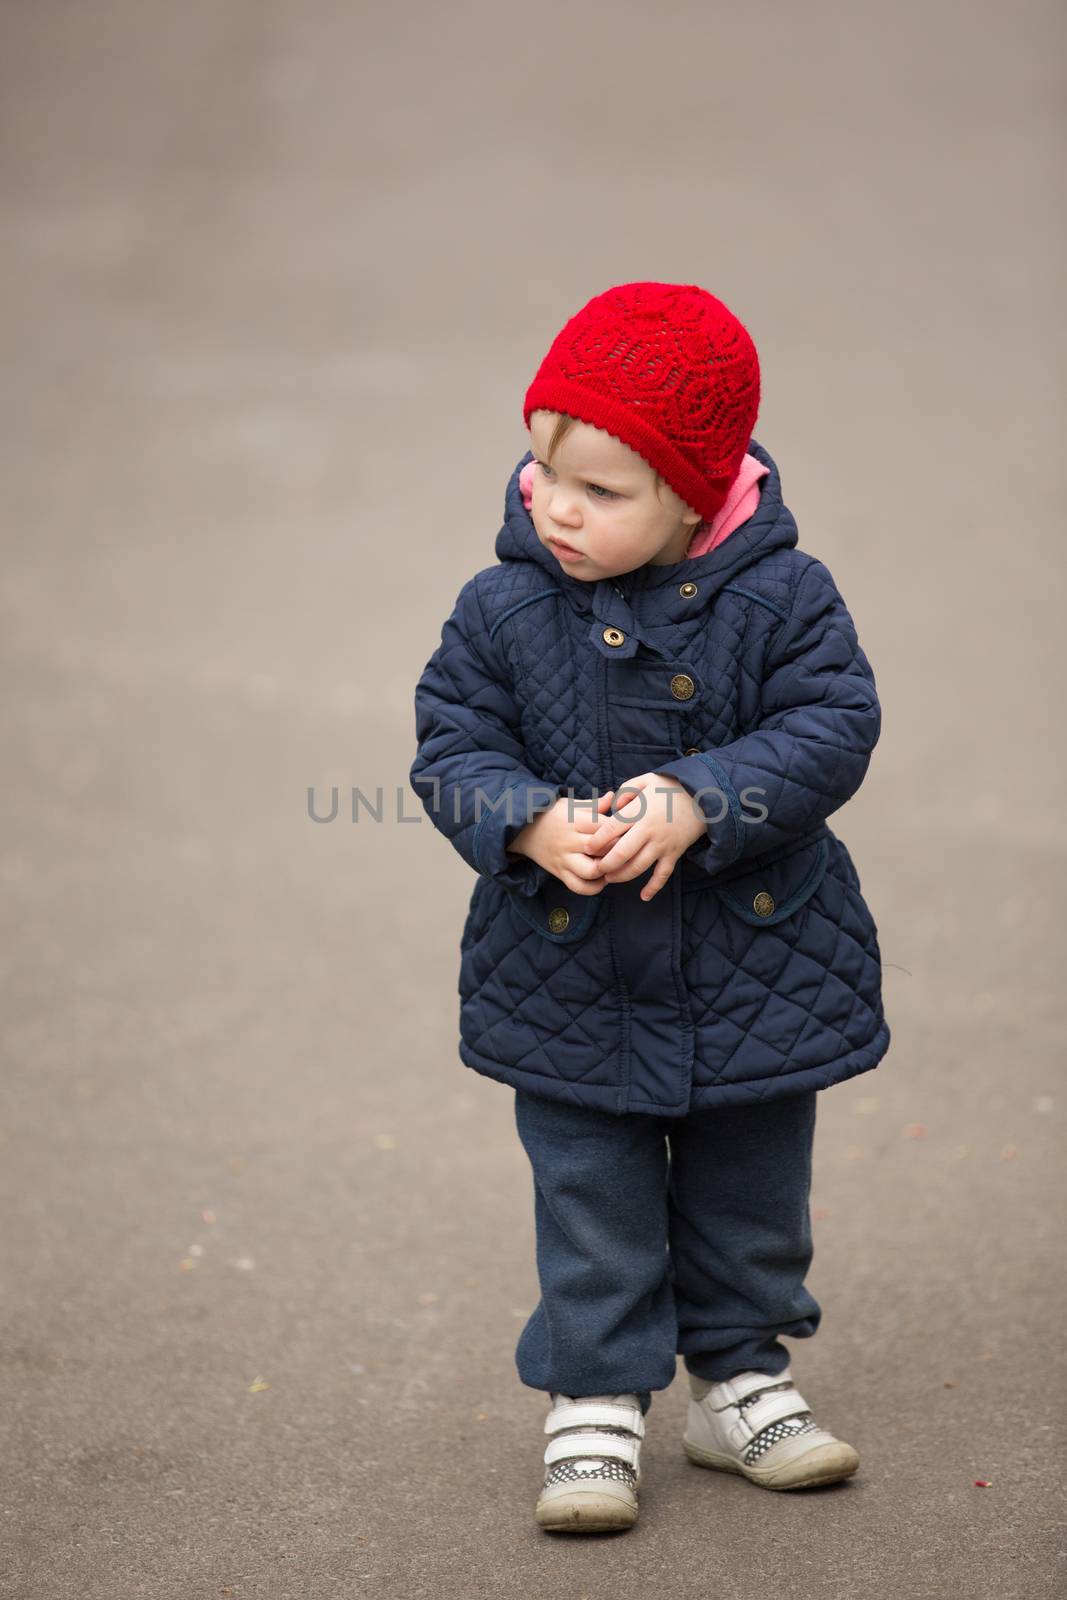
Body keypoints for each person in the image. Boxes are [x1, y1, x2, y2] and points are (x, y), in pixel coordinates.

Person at [408, 281, 890, 1533]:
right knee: (589, 1186)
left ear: (697, 494)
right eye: (543, 467)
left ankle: (737, 1377)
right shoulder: (501, 608)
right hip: (565, 968)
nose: (556, 506)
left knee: (748, 1183)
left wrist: (702, 797)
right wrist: (521, 817)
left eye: (603, 491)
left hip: (753, 959)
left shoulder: (783, 598)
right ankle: (594, 1396)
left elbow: (832, 723)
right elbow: (451, 740)